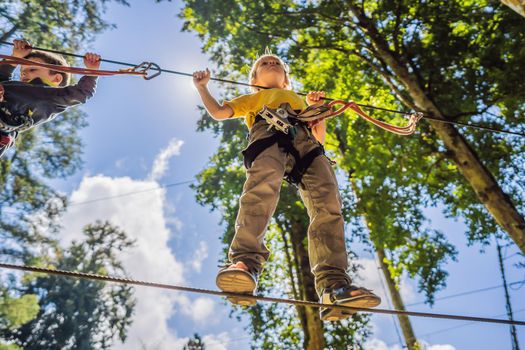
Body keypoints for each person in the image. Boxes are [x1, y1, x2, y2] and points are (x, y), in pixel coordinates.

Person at [192, 53, 380, 321]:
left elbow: (318, 135)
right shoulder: (253, 98)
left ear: (286, 79)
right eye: (263, 64)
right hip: (268, 135)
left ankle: (332, 285)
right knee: (260, 190)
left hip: (307, 145)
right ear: (254, 81)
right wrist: (202, 88)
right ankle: (245, 263)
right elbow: (219, 112)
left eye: (277, 63)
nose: (271, 64)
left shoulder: (300, 101)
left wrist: (317, 110)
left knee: (328, 204)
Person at [0, 39, 100, 157]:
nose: (24, 74)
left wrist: (92, 72)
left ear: (56, 79)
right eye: (22, 72)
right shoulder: (13, 87)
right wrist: (16, 57)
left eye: (32, 69)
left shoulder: (51, 97)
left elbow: (81, 93)